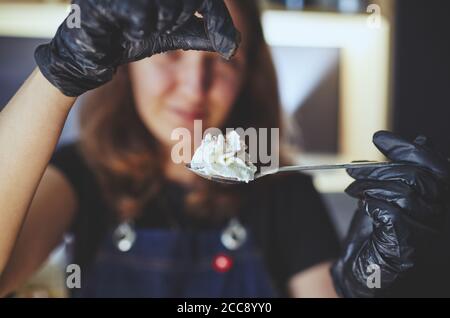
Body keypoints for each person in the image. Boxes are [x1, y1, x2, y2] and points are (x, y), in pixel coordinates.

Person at [0, 0, 448, 298]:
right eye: (173, 52)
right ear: (126, 62)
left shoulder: (287, 196)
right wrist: (59, 74)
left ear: (250, 73)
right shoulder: (80, 175)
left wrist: (360, 287)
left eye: (222, 58)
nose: (196, 87)